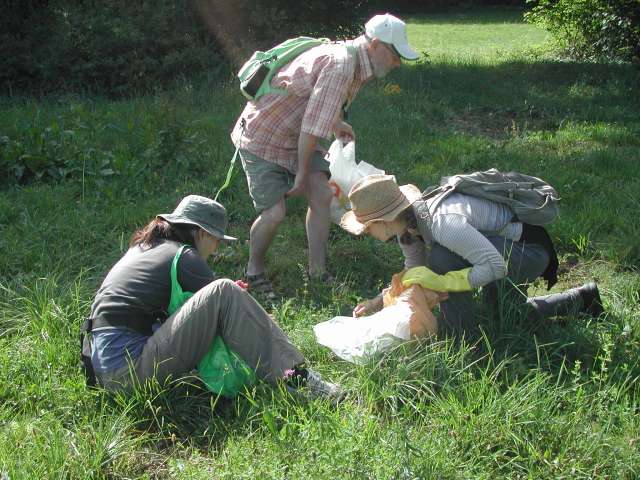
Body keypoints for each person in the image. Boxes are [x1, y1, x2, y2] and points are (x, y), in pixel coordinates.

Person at [230, 13, 420, 299]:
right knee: (274, 213)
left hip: (295, 135)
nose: (397, 63)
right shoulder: (343, 65)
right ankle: (253, 271)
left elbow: (313, 101)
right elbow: (310, 128)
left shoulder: (354, 60)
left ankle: (317, 272)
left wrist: (336, 123)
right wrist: (302, 174)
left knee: (321, 196)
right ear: (377, 45)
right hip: (264, 138)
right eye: (394, 56)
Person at [84, 194, 342, 400]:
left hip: (105, 371)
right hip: (129, 372)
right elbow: (230, 305)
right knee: (225, 291)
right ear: (200, 232)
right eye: (217, 240)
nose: (217, 249)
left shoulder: (145, 248)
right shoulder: (182, 255)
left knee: (224, 292)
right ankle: (297, 379)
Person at [340, 174, 604, 335]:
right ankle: (582, 298)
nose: (365, 233)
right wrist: (378, 301)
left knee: (442, 260)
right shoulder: (408, 229)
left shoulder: (442, 223)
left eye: (366, 227)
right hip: (500, 250)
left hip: (527, 252)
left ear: (383, 220)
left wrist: (444, 283)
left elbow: (495, 267)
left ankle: (462, 335)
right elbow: (414, 272)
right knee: (504, 317)